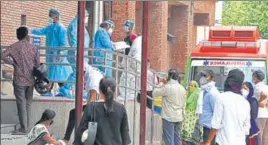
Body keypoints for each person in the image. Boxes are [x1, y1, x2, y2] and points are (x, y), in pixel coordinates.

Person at [1, 27, 40, 134]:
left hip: (19, 79)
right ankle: (27, 128)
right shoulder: (33, 48)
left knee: (21, 103)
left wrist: (12, 63)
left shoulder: (14, 47)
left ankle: (24, 129)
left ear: (18, 35)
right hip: (31, 80)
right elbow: (37, 64)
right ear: (26, 35)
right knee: (28, 104)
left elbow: (2, 55)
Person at [73, 77, 131, 145]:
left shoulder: (91, 107)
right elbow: (125, 136)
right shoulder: (121, 108)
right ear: (115, 90)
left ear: (100, 90)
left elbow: (81, 133)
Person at [31, 8, 73, 96]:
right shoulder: (50, 27)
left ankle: (63, 91)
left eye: (51, 15)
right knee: (52, 75)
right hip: (50, 56)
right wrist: (30, 30)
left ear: (56, 16)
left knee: (59, 76)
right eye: (49, 15)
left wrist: (61, 54)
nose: (50, 17)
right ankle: (49, 91)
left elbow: (63, 43)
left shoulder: (61, 28)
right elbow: (41, 31)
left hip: (58, 57)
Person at [205, 69, 251, 145]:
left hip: (223, 142)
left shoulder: (221, 98)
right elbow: (246, 128)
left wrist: (208, 141)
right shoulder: (245, 102)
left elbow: (216, 124)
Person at [62, 63, 104, 144]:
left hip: (97, 103)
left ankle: (68, 139)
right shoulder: (90, 73)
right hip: (95, 102)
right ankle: (68, 139)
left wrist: (86, 111)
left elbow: (93, 93)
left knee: (76, 115)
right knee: (74, 113)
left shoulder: (93, 76)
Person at [56, 10, 90, 98]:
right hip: (77, 53)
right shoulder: (75, 25)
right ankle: (66, 88)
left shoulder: (79, 24)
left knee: (80, 73)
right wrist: (76, 51)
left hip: (82, 52)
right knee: (77, 73)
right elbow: (73, 39)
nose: (87, 19)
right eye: (86, 16)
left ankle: (80, 90)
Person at [152, 68, 186, 145]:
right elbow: (184, 103)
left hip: (168, 117)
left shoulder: (167, 87)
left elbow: (154, 93)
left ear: (169, 76)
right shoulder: (182, 88)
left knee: (169, 139)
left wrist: (161, 83)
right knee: (177, 138)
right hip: (179, 116)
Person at [196, 70, 220, 145]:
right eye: (202, 76)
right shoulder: (204, 90)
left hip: (210, 127)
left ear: (212, 78)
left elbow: (216, 111)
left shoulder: (212, 93)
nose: (203, 78)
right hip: (205, 124)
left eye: (205, 76)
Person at [182, 80, 202, 145]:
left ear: (195, 86)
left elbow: (187, 101)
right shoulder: (197, 92)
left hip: (190, 111)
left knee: (188, 124)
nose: (190, 87)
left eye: (192, 86)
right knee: (192, 125)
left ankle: (188, 138)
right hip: (194, 111)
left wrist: (186, 95)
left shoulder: (194, 93)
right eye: (190, 85)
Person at [252, 70, 268, 145]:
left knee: (258, 136)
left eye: (253, 76)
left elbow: (263, 94)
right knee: (265, 137)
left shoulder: (257, 87)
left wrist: (258, 102)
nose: (252, 77)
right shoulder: (265, 86)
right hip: (265, 114)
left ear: (256, 78)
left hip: (259, 115)